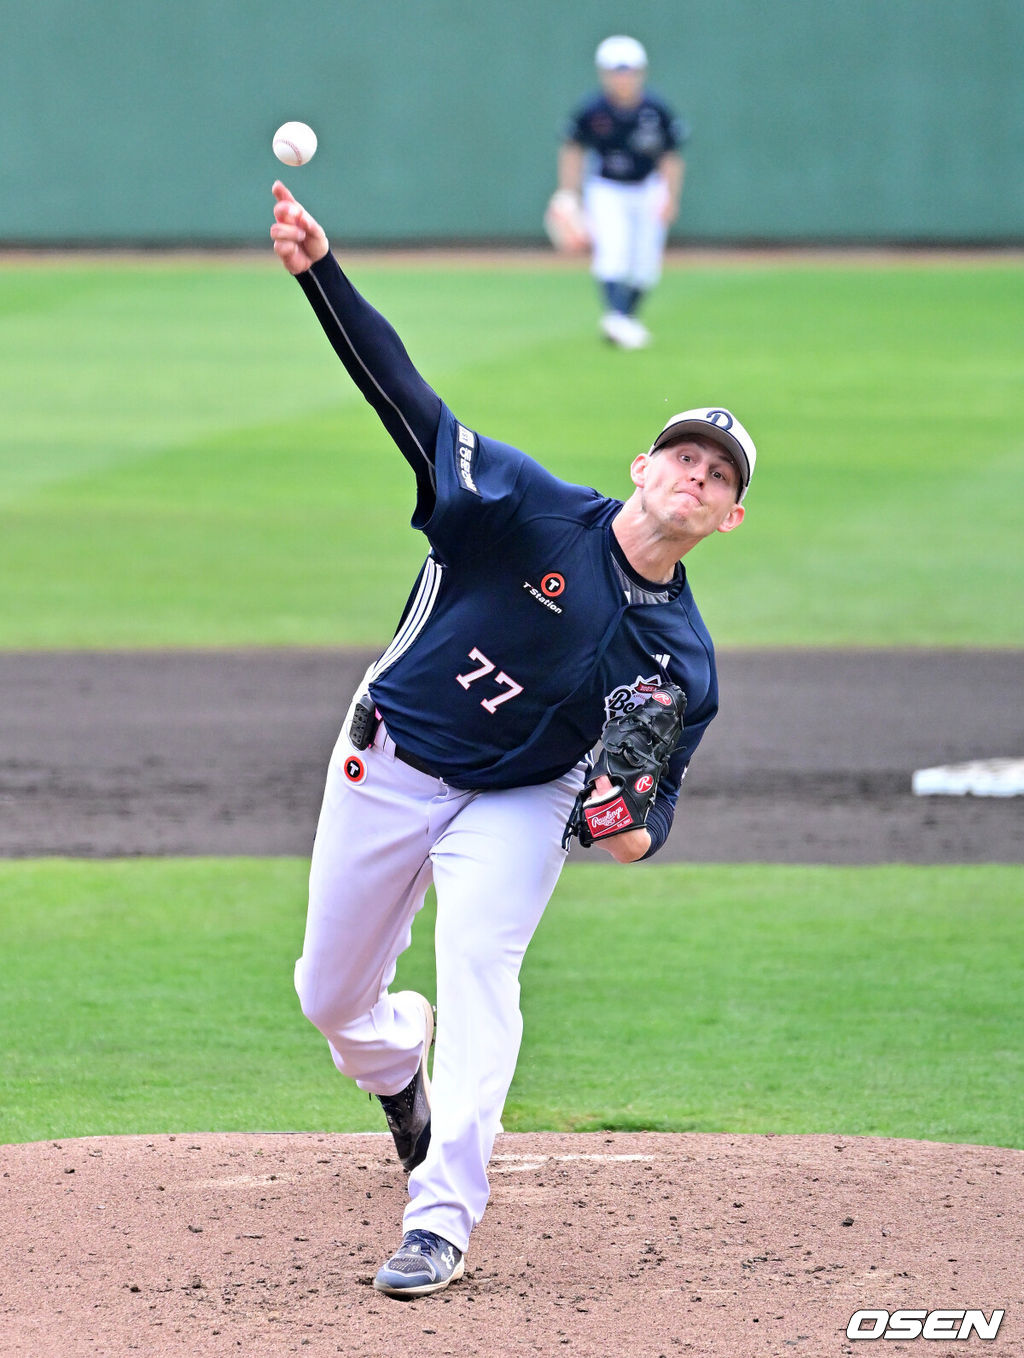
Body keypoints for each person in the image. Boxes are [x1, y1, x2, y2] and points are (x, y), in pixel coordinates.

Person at [269, 179, 756, 1299]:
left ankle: (440, 1218)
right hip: (391, 752)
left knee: (484, 977)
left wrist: (619, 821)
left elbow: (643, 823)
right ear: (643, 465)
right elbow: (407, 400)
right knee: (330, 997)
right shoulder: (526, 506)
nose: (695, 474)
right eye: (683, 455)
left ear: (729, 518)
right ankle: (398, 1070)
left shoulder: (683, 663)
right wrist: (321, 275)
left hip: (521, 800)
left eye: (719, 476)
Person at [555, 34, 688, 349]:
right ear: (604, 73)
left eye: (628, 70)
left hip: (647, 187)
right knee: (612, 252)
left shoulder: (656, 109)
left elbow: (671, 157)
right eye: (616, 71)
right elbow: (572, 149)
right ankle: (617, 316)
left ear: (641, 72)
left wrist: (670, 196)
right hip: (607, 188)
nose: (622, 78)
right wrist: (568, 193)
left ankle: (624, 318)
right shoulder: (593, 110)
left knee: (645, 263)